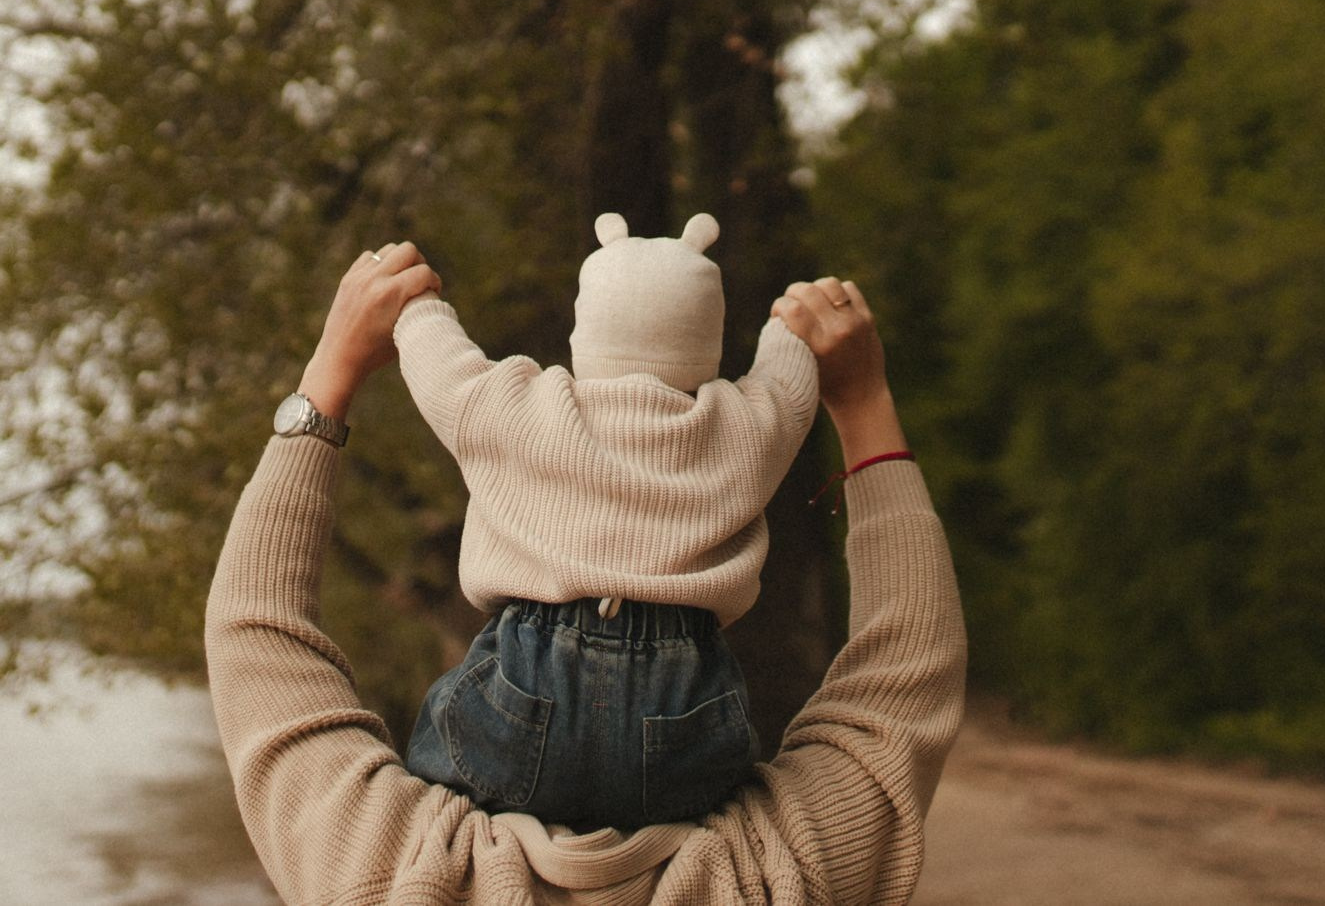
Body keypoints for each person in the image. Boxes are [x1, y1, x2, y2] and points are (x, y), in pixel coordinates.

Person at [205, 240, 967, 906]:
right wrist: (863, 403)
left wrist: (333, 371)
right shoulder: (775, 876)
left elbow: (256, 641)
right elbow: (906, 681)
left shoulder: (392, 874)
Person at [387, 211, 821, 828]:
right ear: (711, 338)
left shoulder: (523, 410)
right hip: (685, 699)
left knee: (439, 766)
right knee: (707, 791)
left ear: (584, 328)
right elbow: (791, 392)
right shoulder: (741, 429)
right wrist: (791, 326)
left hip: (527, 672)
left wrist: (417, 305)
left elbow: (443, 371)